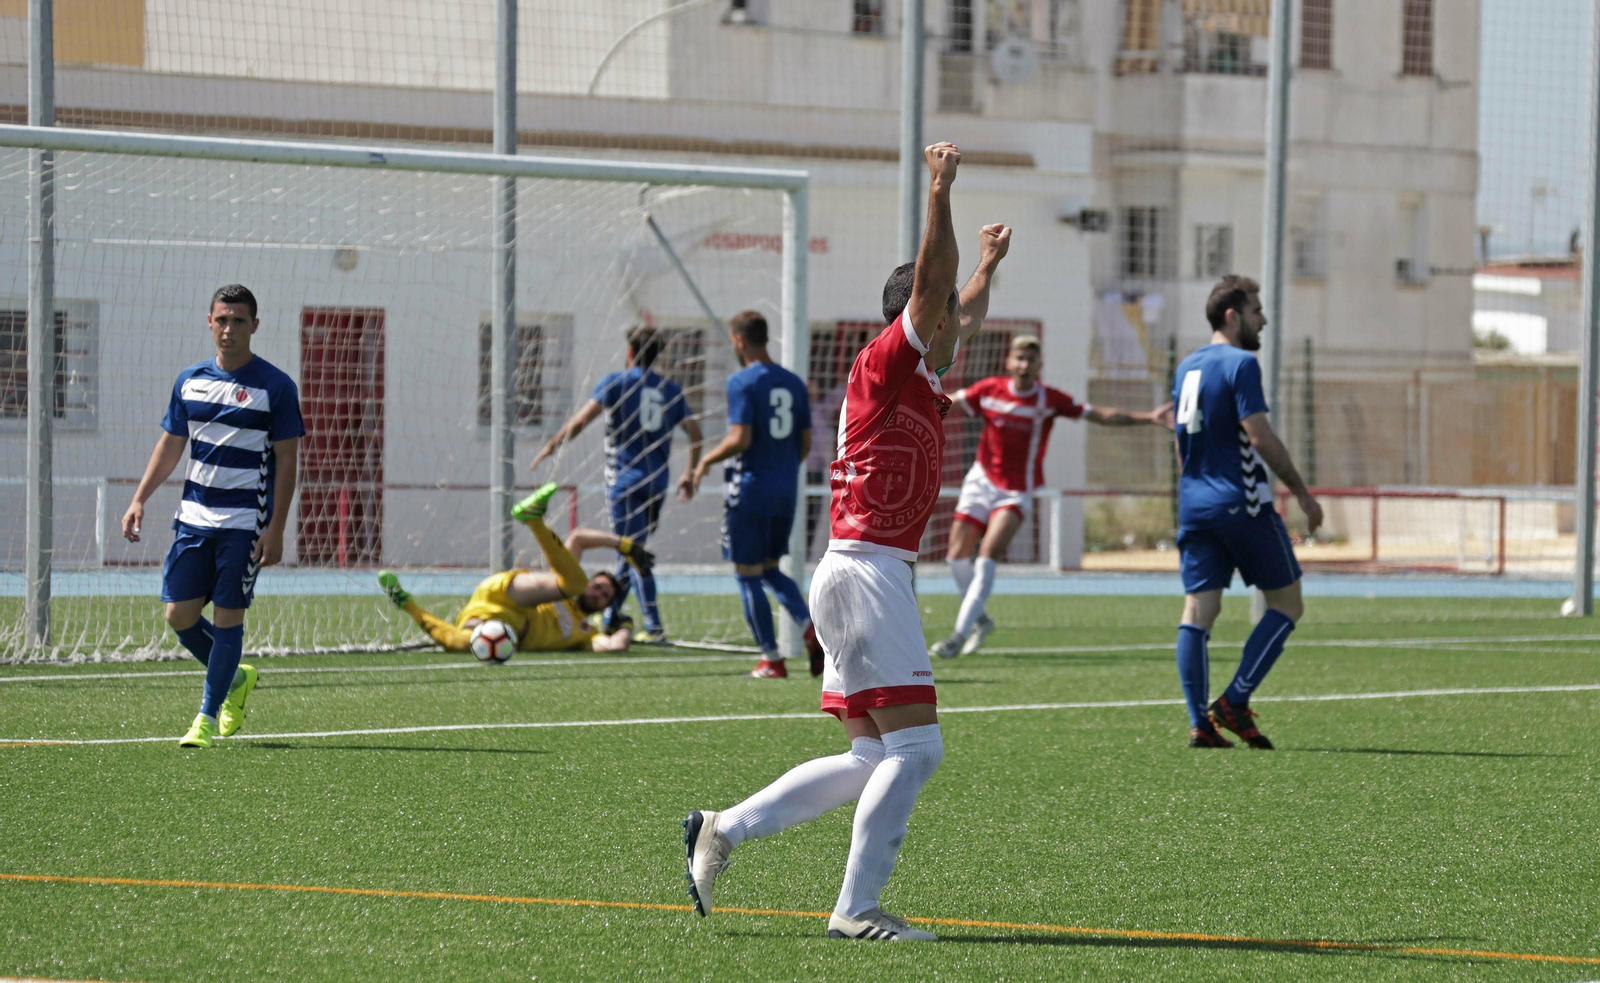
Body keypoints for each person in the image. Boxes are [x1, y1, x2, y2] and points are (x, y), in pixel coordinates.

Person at [683, 144, 1001, 942]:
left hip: (859, 572)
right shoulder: (885, 363)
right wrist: (941, 192)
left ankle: (721, 828)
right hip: (865, 573)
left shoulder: (924, 374)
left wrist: (988, 265)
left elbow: (960, 302)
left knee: (873, 760)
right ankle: (856, 909)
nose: (959, 327)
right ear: (918, 322)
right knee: (919, 751)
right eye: (947, 320)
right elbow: (934, 292)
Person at [120, 284, 304, 749]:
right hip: (194, 520)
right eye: (222, 319)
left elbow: (287, 462)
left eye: (239, 321)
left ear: (254, 327)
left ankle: (205, 716)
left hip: (244, 525)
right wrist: (140, 497)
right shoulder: (189, 381)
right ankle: (236, 679)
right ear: (209, 322)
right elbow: (170, 445)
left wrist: (276, 528)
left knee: (227, 619)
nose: (229, 329)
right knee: (178, 616)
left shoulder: (276, 387)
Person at [931, 336, 1172, 658]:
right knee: (955, 556)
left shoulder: (1048, 400)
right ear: (1008, 362)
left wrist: (1148, 418)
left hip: (1016, 489)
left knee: (988, 553)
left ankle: (957, 636)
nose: (1024, 365)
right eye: (1019, 358)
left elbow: (1098, 414)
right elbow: (950, 400)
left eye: (1031, 359)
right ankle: (981, 620)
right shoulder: (989, 390)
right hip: (980, 479)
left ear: (1039, 365)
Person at [1172, 275, 1323, 749]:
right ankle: (1234, 700)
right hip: (1242, 502)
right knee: (1288, 602)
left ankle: (1200, 723)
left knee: (1199, 610)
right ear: (1233, 316)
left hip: (1194, 504)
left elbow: (1182, 442)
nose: (1264, 319)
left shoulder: (1186, 367)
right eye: (1257, 310)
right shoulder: (1241, 363)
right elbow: (1258, 435)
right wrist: (1301, 492)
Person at [531, 327, 702, 643]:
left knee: (635, 553)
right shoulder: (671, 389)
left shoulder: (614, 383)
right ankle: (611, 617)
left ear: (630, 352)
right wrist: (690, 473)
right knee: (629, 552)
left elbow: (581, 421)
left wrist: (551, 446)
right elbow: (695, 432)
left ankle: (654, 628)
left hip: (624, 483)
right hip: (657, 483)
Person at [689, 310, 825, 679]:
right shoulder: (795, 383)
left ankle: (772, 659)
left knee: (747, 575)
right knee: (770, 569)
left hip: (749, 491)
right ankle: (809, 626)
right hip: (784, 491)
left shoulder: (742, 382)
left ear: (738, 341)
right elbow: (805, 442)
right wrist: (780, 470)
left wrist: (703, 462)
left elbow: (740, 438)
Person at [378, 483, 650, 654]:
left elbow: (614, 646)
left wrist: (625, 625)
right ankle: (533, 518)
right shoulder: (569, 587)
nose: (598, 594)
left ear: (604, 608)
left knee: (460, 644)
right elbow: (578, 538)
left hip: (499, 625)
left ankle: (406, 603)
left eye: (605, 597)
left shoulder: (584, 633)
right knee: (572, 583)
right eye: (599, 586)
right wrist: (626, 546)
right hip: (511, 594)